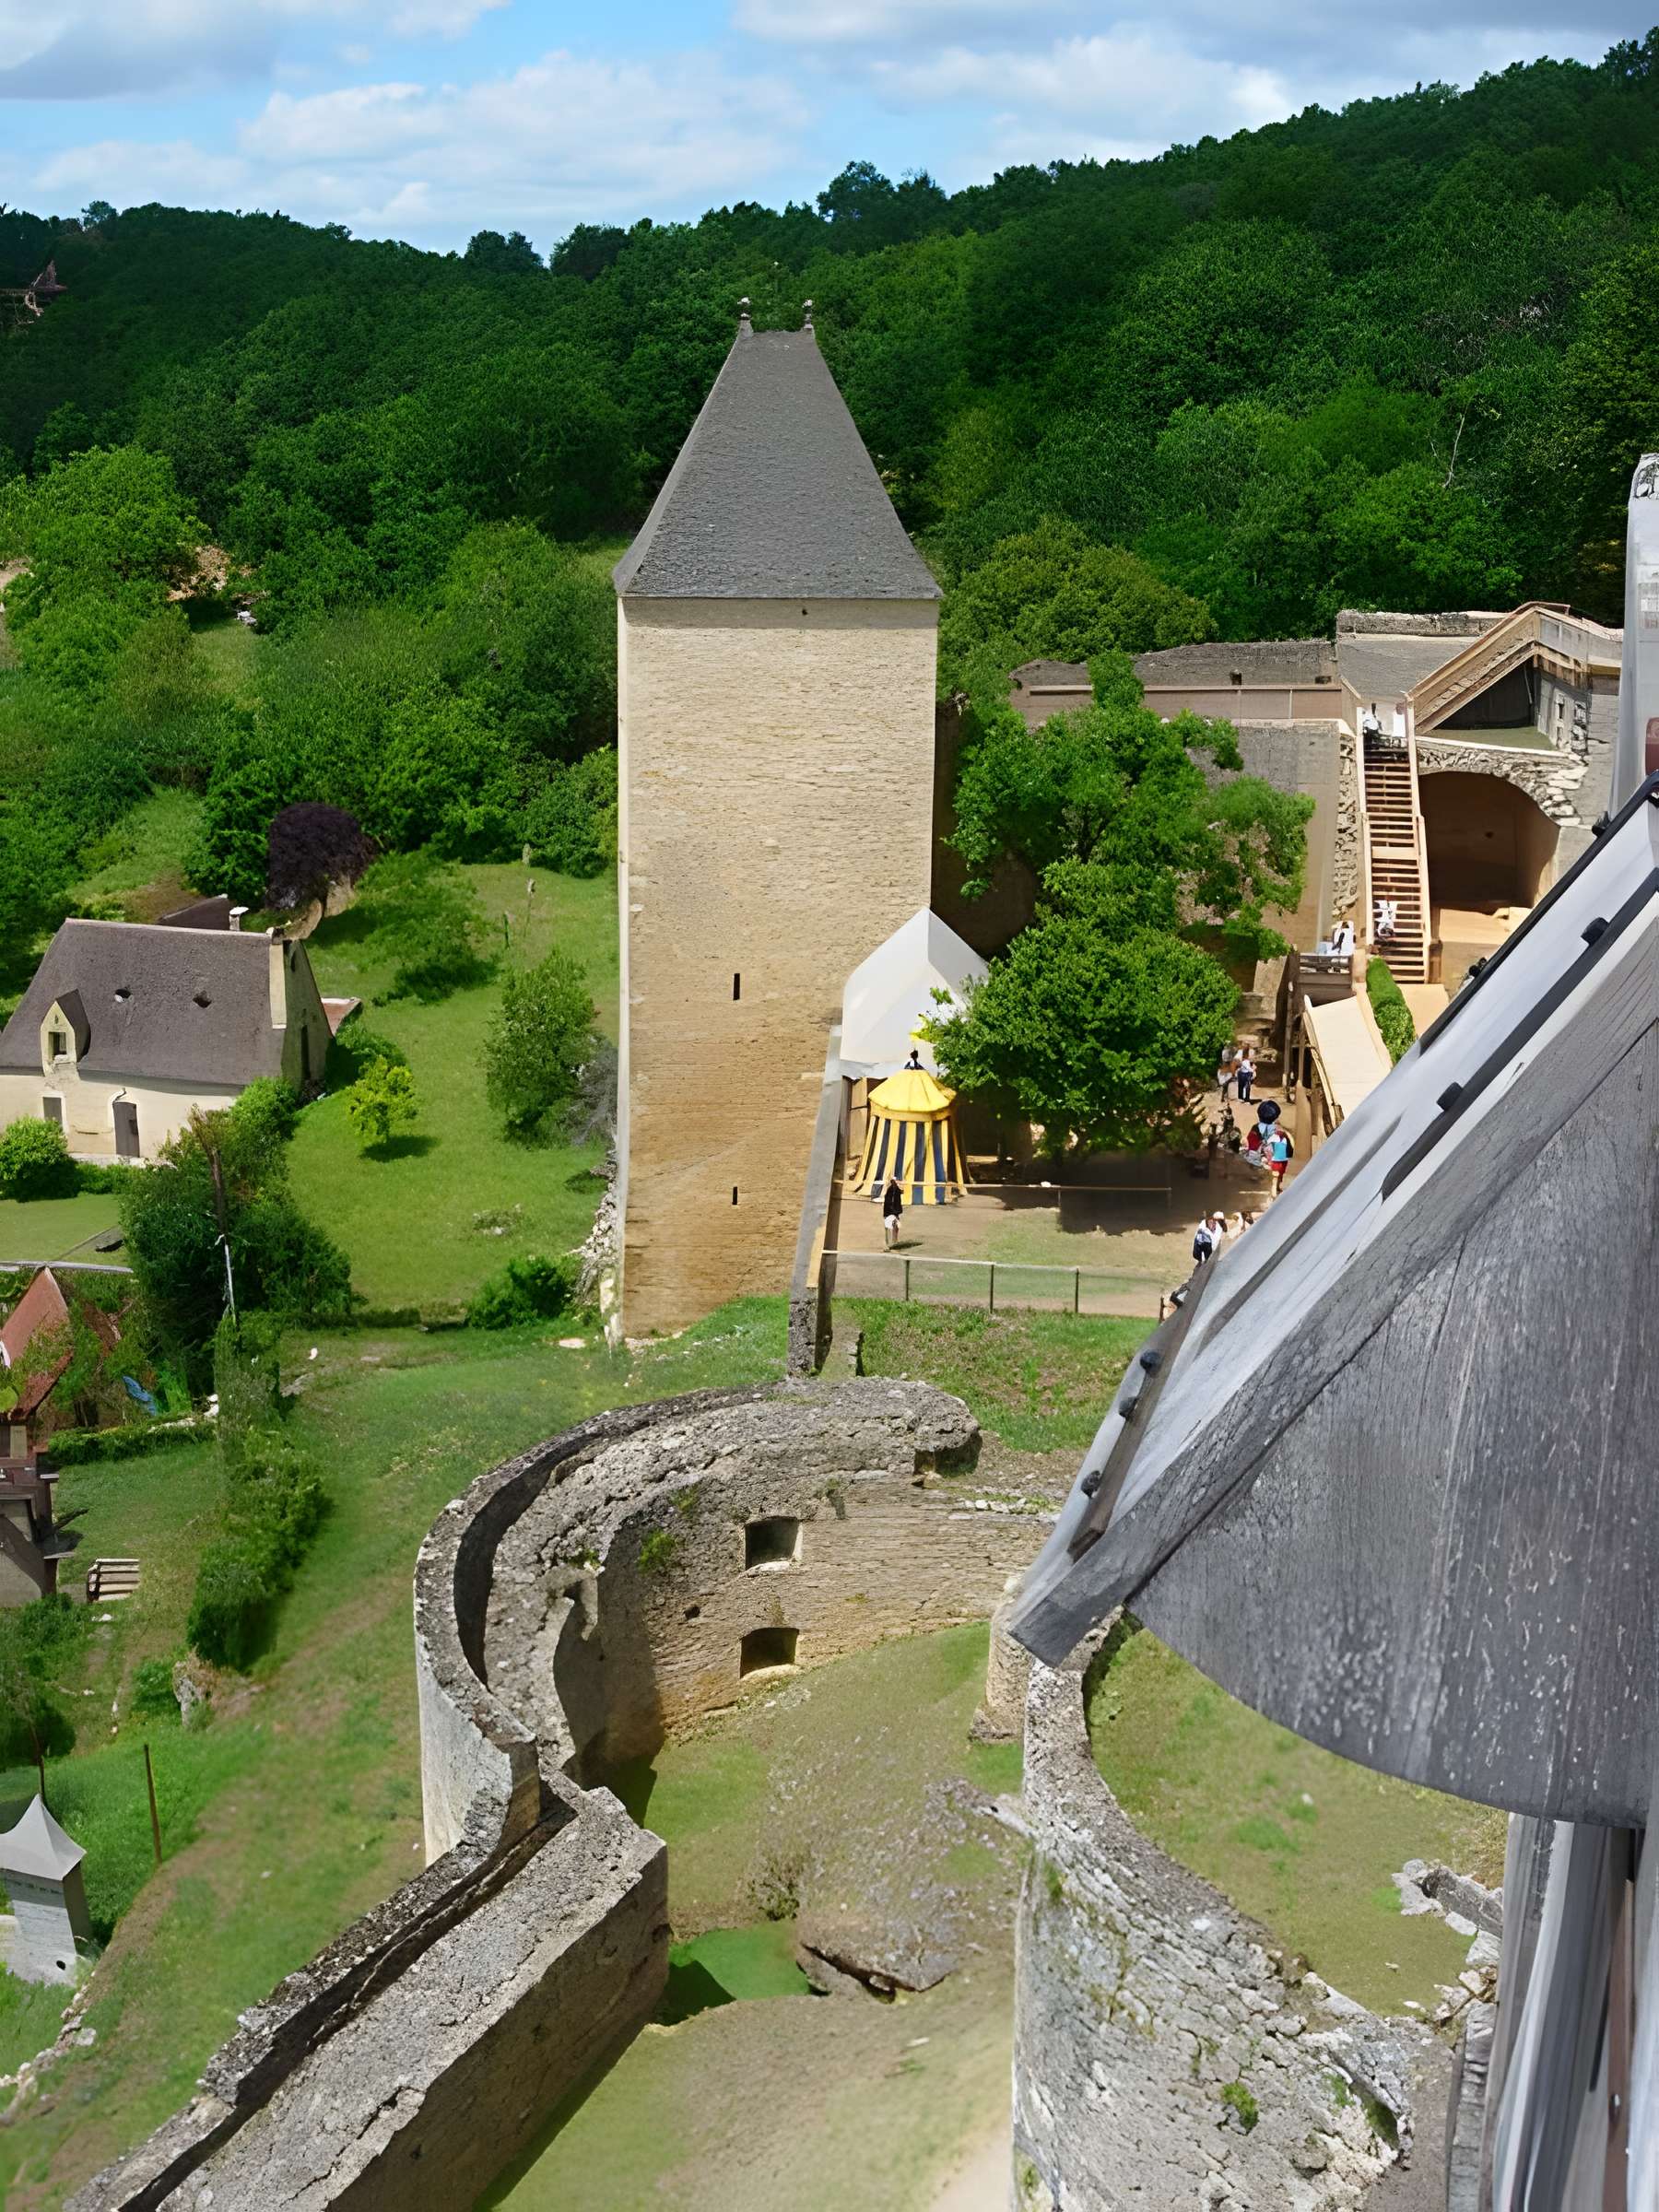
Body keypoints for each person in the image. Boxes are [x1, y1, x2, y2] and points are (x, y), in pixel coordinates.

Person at [1267, 1127, 1291, 1192]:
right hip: (1276, 1160)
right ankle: (1274, 1189)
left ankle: (1277, 1187)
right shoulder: (1273, 1137)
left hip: (1283, 1160)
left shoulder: (1286, 1138)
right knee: (1275, 1175)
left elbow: (1289, 1148)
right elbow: (1268, 1147)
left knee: (1280, 1175)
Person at [882, 1177, 903, 1249]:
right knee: (892, 1227)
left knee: (892, 1227)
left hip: (891, 1212)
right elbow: (890, 1202)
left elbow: (901, 1192)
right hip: (891, 1212)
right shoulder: (893, 1190)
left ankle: (892, 1242)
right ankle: (891, 1243)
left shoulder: (894, 1190)